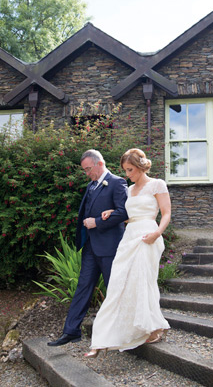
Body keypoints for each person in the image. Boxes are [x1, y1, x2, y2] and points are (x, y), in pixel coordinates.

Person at [84, 148, 171, 357]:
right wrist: (111, 213)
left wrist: (157, 233)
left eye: (130, 169)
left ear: (141, 166)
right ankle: (109, 334)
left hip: (148, 235)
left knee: (144, 280)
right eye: (125, 170)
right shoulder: (130, 190)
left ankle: (154, 326)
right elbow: (128, 215)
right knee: (120, 282)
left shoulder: (157, 185)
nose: (127, 174)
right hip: (130, 236)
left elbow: (166, 213)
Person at [47, 149, 128, 347]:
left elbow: (125, 212)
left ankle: (124, 332)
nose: (86, 173)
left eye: (88, 169)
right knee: (83, 287)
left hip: (110, 248)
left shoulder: (117, 182)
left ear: (100, 163)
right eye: (84, 170)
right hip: (91, 247)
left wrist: (97, 222)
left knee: (115, 290)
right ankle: (71, 331)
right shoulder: (91, 186)